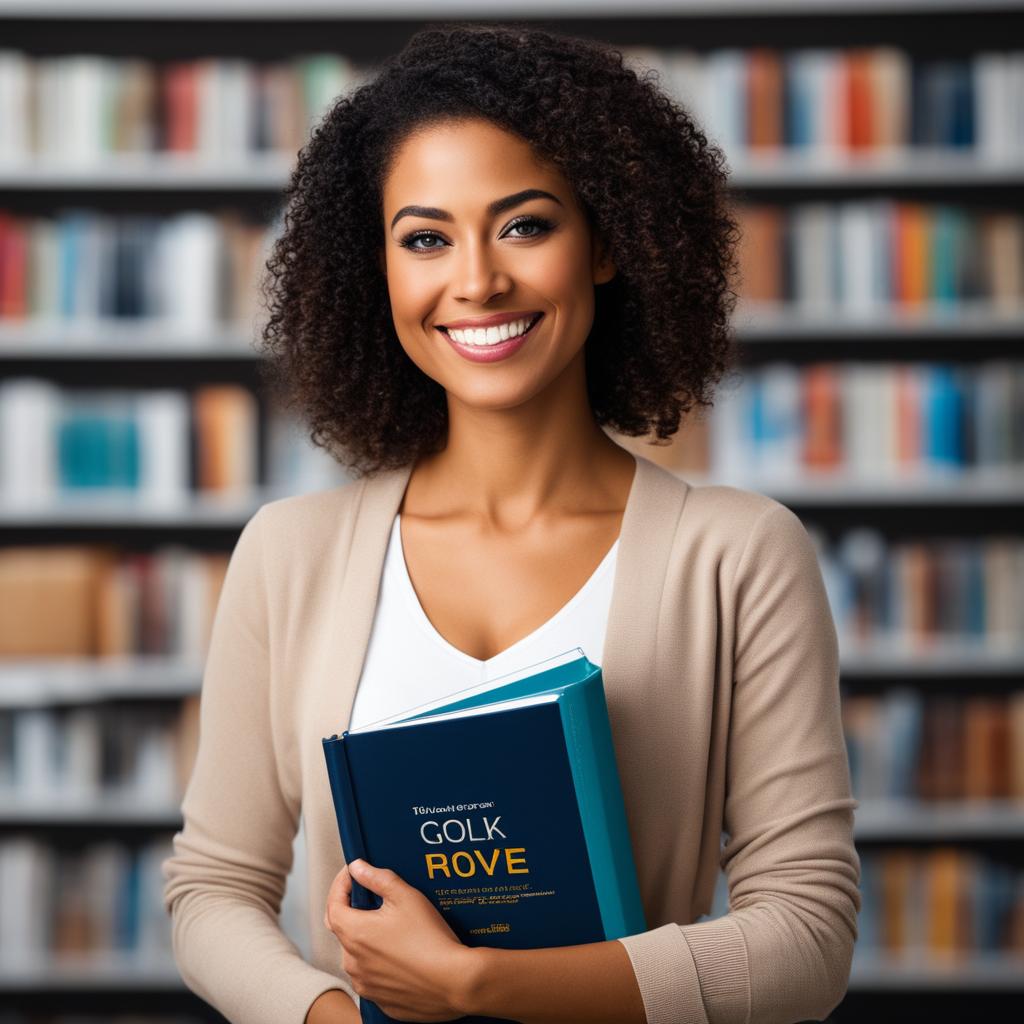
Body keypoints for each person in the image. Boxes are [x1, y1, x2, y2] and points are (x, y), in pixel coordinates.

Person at [162, 21, 861, 1024]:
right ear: (381, 271)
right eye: (426, 237)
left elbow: (807, 934)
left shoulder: (737, 554)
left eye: (526, 225)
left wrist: (480, 987)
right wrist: (331, 1018)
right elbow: (210, 889)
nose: (477, 280)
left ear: (609, 241)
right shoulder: (289, 552)